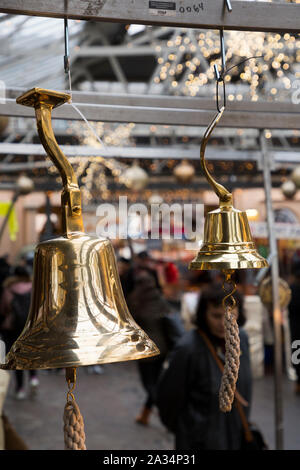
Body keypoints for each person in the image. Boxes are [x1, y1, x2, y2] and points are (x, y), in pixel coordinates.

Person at [156, 283, 252, 450]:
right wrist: (191, 431)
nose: (224, 323)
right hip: (200, 441)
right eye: (216, 316)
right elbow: (168, 399)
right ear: (204, 313)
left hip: (235, 436)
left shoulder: (241, 338)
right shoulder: (188, 349)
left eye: (231, 316)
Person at [127, 268, 184, 426]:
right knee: (156, 383)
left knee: (149, 384)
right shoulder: (159, 298)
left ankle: (165, 409)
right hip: (162, 348)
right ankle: (145, 414)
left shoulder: (134, 300)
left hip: (144, 350)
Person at [0, 266, 38, 400]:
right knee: (30, 354)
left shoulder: (9, 288)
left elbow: (4, 308)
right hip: (29, 326)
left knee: (17, 358)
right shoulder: (33, 286)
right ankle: (33, 378)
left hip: (13, 327)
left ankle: (20, 388)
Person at [288, 258, 300, 394]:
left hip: (296, 329)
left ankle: (298, 381)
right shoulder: (291, 288)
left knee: (297, 353)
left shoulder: (291, 289)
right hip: (296, 327)